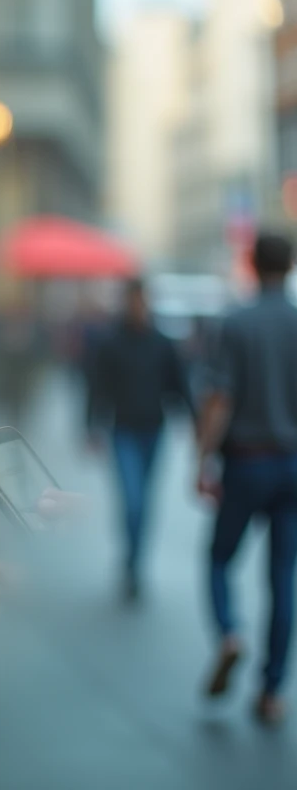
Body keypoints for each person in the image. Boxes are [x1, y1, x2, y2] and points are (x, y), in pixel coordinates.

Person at [197, 232, 297, 727]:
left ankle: (230, 633)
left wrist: (202, 461)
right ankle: (272, 691)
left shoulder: (236, 322)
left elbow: (220, 399)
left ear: (253, 264)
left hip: (247, 463)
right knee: (283, 578)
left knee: (217, 559)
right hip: (293, 467)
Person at [86, 277, 194, 602]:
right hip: (123, 431)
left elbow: (179, 384)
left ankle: (136, 562)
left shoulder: (162, 342)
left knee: (145, 502)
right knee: (132, 500)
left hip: (153, 430)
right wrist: (90, 425)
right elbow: (96, 386)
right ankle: (131, 560)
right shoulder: (111, 342)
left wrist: (195, 421)